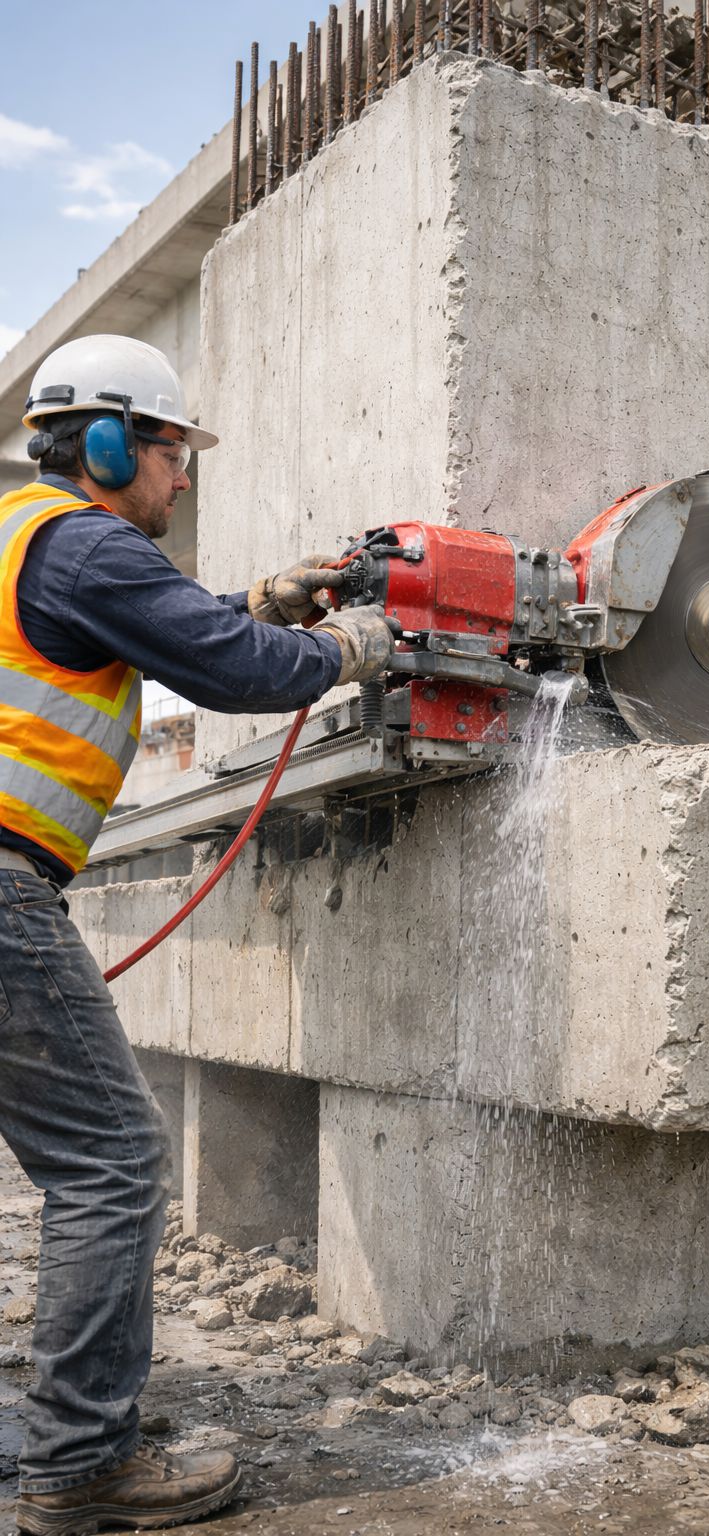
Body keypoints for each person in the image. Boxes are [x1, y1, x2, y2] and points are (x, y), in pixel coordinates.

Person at [0, 335, 394, 1535]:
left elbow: (176, 626)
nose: (182, 482)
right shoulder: (85, 540)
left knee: (88, 1163)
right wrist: (342, 648)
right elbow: (231, 669)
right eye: (176, 455)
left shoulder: (27, 536)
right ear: (116, 443)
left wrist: (267, 600)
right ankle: (78, 1468)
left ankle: (67, 1426)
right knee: (114, 1165)